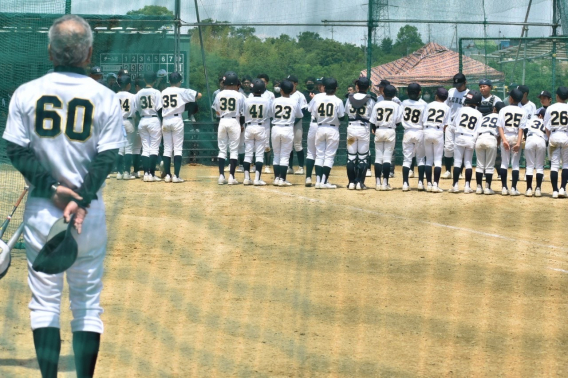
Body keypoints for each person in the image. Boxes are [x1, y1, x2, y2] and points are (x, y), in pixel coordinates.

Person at [2, 15, 124, 378]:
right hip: (89, 215)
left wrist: (53, 190)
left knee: (44, 304)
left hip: (42, 211)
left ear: (50, 52)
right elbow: (108, 157)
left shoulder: (27, 92)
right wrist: (81, 199)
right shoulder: (105, 96)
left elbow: (15, 150)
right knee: (87, 304)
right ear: (88, 53)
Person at [160, 72, 201, 183]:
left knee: (167, 149)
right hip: (177, 119)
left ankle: (168, 175)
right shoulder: (182, 91)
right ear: (179, 81)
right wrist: (187, 102)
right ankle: (176, 176)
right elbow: (199, 95)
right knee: (177, 148)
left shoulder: (164, 91)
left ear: (169, 81)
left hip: (166, 119)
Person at [310, 78, 345, 189]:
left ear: (324, 88)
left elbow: (313, 114)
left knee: (319, 155)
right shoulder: (338, 100)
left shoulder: (317, 99)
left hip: (320, 128)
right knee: (329, 156)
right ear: (336, 89)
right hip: (332, 129)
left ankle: (318, 181)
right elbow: (342, 117)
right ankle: (324, 182)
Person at [212, 71, 246, 185]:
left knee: (222, 150)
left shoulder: (219, 94)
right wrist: (241, 125)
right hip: (234, 120)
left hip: (222, 120)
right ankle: (231, 176)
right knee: (233, 150)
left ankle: (221, 176)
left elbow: (217, 111)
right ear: (236, 82)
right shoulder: (240, 95)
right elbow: (243, 113)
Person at [369, 84, 403, 191]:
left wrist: (374, 129)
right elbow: (398, 122)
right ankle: (385, 183)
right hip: (390, 130)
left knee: (378, 158)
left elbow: (372, 121)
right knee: (387, 158)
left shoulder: (378, 104)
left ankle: (377, 183)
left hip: (379, 129)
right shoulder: (396, 105)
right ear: (393, 95)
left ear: (383, 93)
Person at [449, 91, 483, 193]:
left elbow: (454, 124)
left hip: (460, 136)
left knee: (457, 162)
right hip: (471, 138)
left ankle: (455, 186)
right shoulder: (479, 113)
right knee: (468, 162)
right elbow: (478, 129)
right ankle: (467, 186)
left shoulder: (460, 110)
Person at [271, 80, 303, 186]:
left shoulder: (275, 100)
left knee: (276, 154)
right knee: (285, 155)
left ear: (281, 90)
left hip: (275, 127)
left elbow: (270, 113)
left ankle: (276, 178)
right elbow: (300, 115)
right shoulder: (294, 101)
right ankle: (282, 179)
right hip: (287, 128)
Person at [345, 77, 375, 190]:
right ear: (368, 87)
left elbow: (346, 112)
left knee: (351, 157)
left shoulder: (349, 98)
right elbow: (372, 116)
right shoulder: (370, 100)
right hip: (363, 130)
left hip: (351, 129)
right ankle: (360, 183)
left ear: (357, 86)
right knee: (362, 157)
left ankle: (351, 182)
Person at [497, 88, 527, 196]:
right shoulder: (523, 111)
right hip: (515, 137)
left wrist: (504, 140)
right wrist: (519, 143)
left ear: (510, 99)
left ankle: (504, 188)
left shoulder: (503, 110)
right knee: (515, 164)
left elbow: (500, 127)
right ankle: (513, 188)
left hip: (505, 135)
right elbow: (521, 129)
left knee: (504, 163)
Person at [242, 79, 272, 186]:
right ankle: (257, 179)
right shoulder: (267, 101)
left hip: (249, 126)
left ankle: (246, 178)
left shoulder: (247, 100)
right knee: (259, 154)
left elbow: (243, 114)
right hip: (261, 126)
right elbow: (269, 114)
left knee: (248, 154)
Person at [135, 71, 163, 182]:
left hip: (143, 120)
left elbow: (136, 110)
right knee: (154, 148)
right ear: (155, 80)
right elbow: (160, 109)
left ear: (145, 80)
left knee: (145, 148)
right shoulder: (156, 92)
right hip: (153, 119)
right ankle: (151, 174)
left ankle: (146, 173)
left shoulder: (139, 93)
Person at [422, 87, 450, 192]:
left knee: (429, 160)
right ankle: (435, 185)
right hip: (438, 131)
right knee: (437, 160)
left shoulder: (428, 105)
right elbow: (446, 124)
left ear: (436, 96)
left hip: (427, 130)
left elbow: (423, 119)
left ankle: (429, 184)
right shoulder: (447, 107)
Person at [400, 83, 427, 191]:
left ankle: (405, 184)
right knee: (420, 159)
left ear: (407, 92)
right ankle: (420, 182)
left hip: (407, 131)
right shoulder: (424, 104)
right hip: (420, 131)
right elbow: (425, 120)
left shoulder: (404, 103)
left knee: (407, 159)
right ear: (419, 92)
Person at [474, 101, 505, 195]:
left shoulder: (484, 117)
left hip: (480, 138)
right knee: (489, 166)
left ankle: (479, 188)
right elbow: (501, 132)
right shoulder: (501, 117)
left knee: (479, 165)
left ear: (494, 109)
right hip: (491, 138)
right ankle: (487, 188)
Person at [443, 73, 470, 179]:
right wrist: (445, 123)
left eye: (460, 84)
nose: (458, 87)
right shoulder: (451, 91)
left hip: (462, 125)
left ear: (465, 82)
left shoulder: (469, 94)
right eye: (456, 84)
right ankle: (448, 171)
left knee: (461, 148)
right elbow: (446, 107)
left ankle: (460, 172)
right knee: (448, 148)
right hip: (450, 123)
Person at [544, 86, 568, 198]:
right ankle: (563, 188)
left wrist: (550, 138)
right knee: (566, 165)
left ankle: (554, 190)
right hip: (565, 136)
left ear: (557, 96)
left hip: (553, 135)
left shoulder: (550, 108)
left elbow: (546, 127)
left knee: (554, 165)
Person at [304, 77, 327, 187]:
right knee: (321, 153)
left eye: (321, 85)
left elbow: (308, 110)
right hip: (324, 126)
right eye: (319, 84)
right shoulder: (333, 98)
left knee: (311, 152)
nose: (319, 86)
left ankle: (308, 177)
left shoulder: (316, 96)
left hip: (314, 124)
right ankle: (320, 180)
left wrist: (313, 99)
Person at [285, 75, 308, 175]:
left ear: (296, 83)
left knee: (297, 144)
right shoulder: (286, 95)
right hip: (287, 123)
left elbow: (302, 112)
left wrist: (293, 122)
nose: (289, 83)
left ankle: (301, 167)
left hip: (297, 122)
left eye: (291, 81)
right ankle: (289, 167)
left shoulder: (299, 95)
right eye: (288, 81)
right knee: (288, 145)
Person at [115, 75, 137, 180]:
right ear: (129, 85)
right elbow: (136, 111)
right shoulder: (133, 96)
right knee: (128, 148)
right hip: (129, 121)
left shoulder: (114, 96)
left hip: (118, 122)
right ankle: (127, 172)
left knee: (120, 149)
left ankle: (119, 172)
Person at [253, 74, 275, 174]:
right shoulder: (251, 94)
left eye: (264, 82)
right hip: (253, 121)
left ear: (267, 83)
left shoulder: (270, 94)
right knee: (253, 143)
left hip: (265, 121)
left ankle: (267, 165)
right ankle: (254, 164)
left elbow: (273, 108)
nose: (262, 84)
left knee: (266, 143)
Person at [524, 108, 547, 197]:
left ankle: (529, 189)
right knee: (539, 167)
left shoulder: (532, 120)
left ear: (540, 115)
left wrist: (526, 139)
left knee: (530, 165)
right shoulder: (547, 122)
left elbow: (525, 130)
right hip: (541, 140)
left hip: (530, 138)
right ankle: (538, 189)